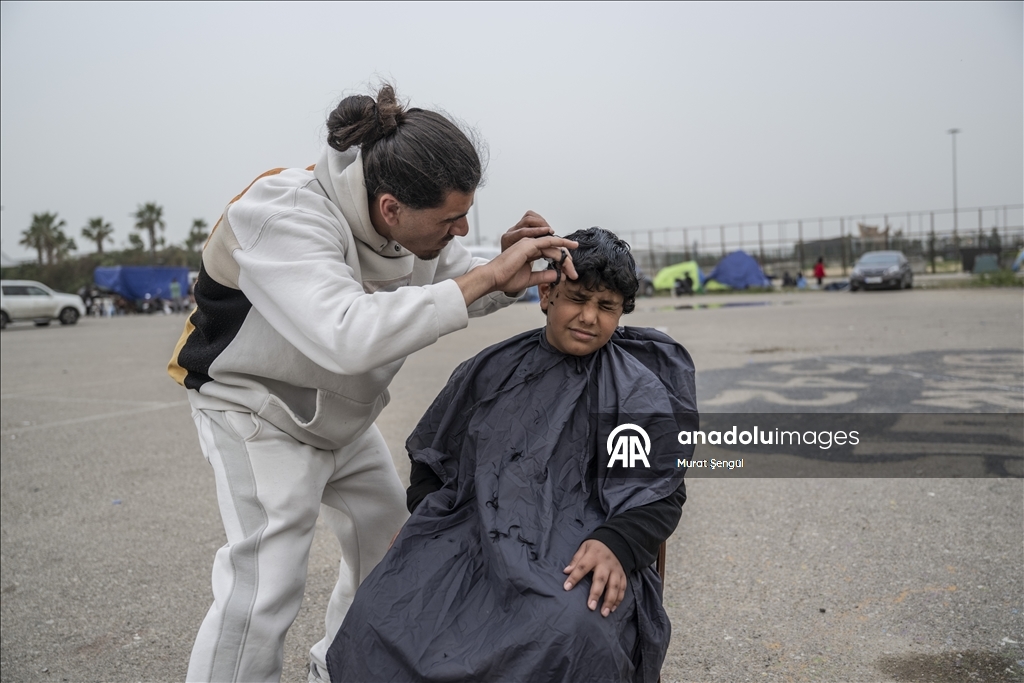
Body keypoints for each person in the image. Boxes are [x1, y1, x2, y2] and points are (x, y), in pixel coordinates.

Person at [166, 83, 579, 683]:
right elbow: (346, 333)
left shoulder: (409, 225)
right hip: (256, 415)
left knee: (389, 551)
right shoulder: (281, 214)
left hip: (340, 420)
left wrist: (512, 269)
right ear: (390, 209)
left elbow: (455, 275)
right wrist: (487, 276)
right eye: (452, 219)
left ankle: (336, 666)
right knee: (265, 587)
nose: (462, 230)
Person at [327, 228, 696, 683]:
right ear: (546, 294)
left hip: (577, 544)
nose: (588, 317)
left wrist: (617, 544)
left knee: (569, 629)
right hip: (471, 531)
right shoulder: (491, 370)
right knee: (381, 611)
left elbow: (660, 493)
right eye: (576, 298)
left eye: (606, 307)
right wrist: (426, 524)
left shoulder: (633, 390)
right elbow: (433, 459)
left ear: (621, 313)